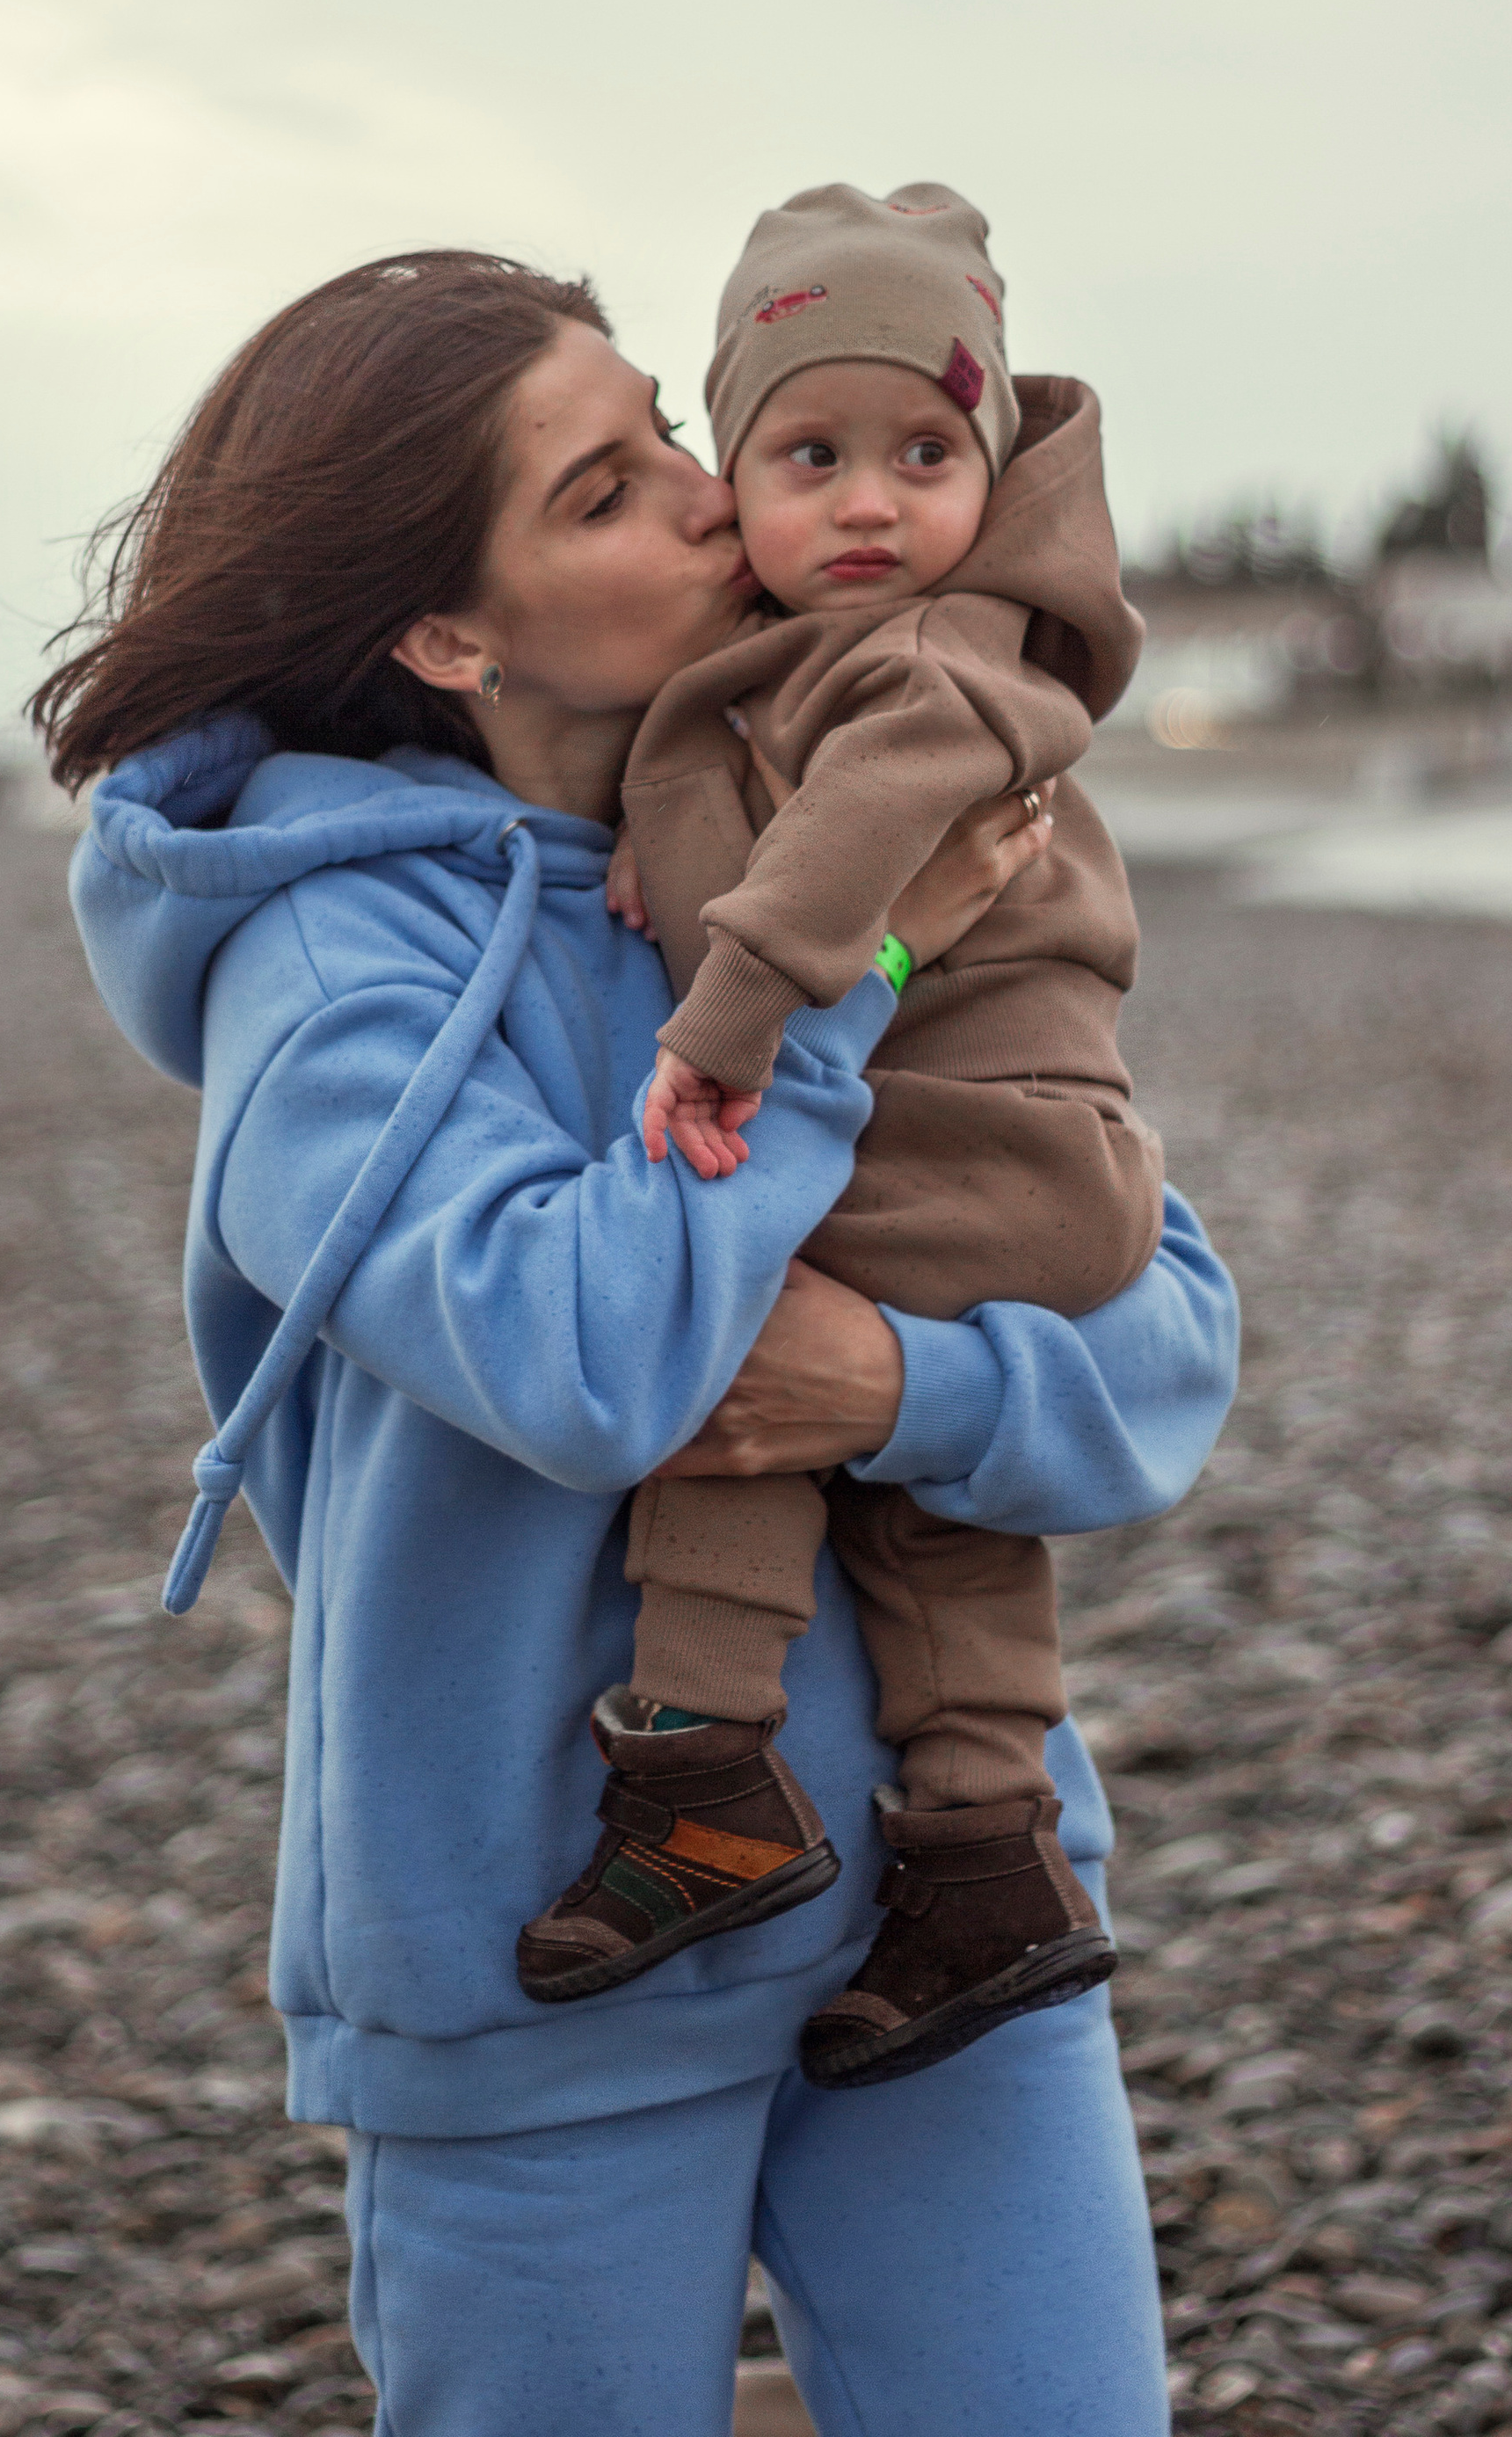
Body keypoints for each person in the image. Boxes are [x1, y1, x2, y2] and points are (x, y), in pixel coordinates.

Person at [32, 248, 1238, 2437]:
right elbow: (585, 1357)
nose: (707, 494)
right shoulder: (328, 969)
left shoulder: (852, 804)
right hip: (544, 1967)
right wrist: (848, 982)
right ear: (445, 632)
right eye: (601, 491)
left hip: (955, 1915)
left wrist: (910, 1390)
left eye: (666, 432)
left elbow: (1161, 1331)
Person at [520, 185, 1164, 2093]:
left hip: (990, 1143)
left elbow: (848, 843)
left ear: (994, 470)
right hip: (1023, 1158)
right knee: (917, 1493)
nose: (870, 503)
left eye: (925, 455)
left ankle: (700, 1761)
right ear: (738, 468)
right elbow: (767, 799)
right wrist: (665, 829)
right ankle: (983, 1847)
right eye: (813, 456)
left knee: (728, 1319)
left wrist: (719, 1029)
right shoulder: (808, 668)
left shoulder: (940, 661)